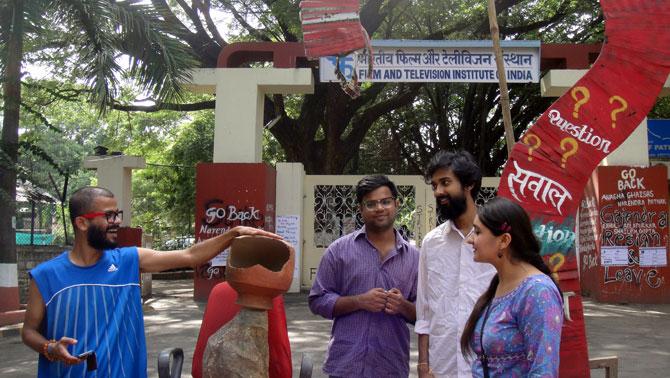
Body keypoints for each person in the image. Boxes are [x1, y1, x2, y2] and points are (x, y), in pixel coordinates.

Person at [21, 186, 281, 377]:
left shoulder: (129, 260)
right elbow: (28, 331)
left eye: (118, 214)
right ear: (81, 223)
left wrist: (233, 233)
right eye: (109, 216)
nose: (117, 222)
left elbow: (190, 256)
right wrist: (50, 347)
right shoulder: (46, 275)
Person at [309, 175, 419, 377]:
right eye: (371, 204)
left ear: (396, 204)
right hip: (346, 364)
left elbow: (426, 314)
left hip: (391, 366)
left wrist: (403, 306)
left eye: (385, 202)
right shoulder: (339, 250)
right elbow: (317, 300)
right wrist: (359, 301)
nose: (379, 208)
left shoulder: (415, 258)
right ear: (361, 209)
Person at [415, 150, 496, 378]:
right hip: (443, 366)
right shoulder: (431, 243)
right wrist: (423, 366)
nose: (439, 191)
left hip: (489, 364)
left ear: (469, 184)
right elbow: (424, 311)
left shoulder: (497, 239)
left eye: (446, 182)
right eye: (434, 185)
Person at [461, 197, 563, 377]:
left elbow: (543, 370)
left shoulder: (538, 292)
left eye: (477, 232)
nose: (470, 240)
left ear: (504, 240)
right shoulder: (499, 284)